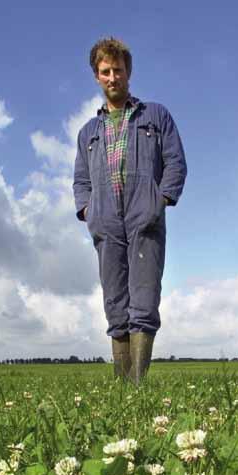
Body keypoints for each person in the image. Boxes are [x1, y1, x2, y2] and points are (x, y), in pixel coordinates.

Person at [73, 37, 187, 384]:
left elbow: (175, 163)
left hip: (145, 215)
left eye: (117, 70)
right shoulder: (88, 132)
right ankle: (122, 388)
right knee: (115, 300)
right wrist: (87, 211)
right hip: (105, 221)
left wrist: (160, 200)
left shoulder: (155, 115)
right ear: (97, 76)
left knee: (145, 298)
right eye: (105, 71)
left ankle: (137, 385)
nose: (112, 77)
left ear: (128, 72)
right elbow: (80, 179)